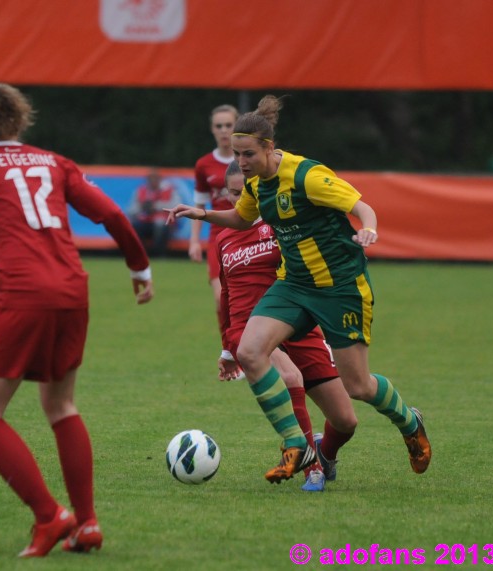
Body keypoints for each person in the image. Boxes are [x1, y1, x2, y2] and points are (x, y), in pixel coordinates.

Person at [0, 83, 153, 558]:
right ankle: (88, 523)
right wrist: (140, 267)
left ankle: (51, 517)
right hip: (73, 290)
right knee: (61, 406)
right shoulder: (54, 162)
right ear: (21, 120)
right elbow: (111, 213)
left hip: (23, 295)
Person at [167, 94, 431, 484]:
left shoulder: (307, 175)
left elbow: (360, 206)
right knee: (250, 350)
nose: (241, 163)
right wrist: (203, 213)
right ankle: (297, 444)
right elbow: (242, 218)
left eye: (247, 155)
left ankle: (410, 422)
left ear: (269, 148)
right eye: (236, 156)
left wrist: (369, 228)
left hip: (339, 287)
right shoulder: (257, 183)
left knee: (358, 386)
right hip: (294, 284)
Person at [216, 160, 357, 492]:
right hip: (250, 331)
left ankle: (325, 454)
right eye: (233, 193)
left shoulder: (283, 225)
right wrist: (227, 348)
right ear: (226, 193)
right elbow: (225, 296)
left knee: (346, 420)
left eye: (245, 191)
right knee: (290, 376)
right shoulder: (222, 239)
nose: (239, 200)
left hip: (295, 324)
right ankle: (312, 470)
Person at [190, 105, 239, 330]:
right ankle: (229, 356)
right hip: (219, 236)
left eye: (229, 125)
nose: (224, 130)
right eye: (219, 126)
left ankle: (256, 355)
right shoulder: (204, 165)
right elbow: (199, 204)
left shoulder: (248, 160)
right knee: (222, 301)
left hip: (248, 232)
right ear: (212, 129)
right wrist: (194, 241)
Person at [127, 167, 179, 257]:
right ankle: (141, 253)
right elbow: (131, 210)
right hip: (145, 221)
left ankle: (158, 254)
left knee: (160, 224)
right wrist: (141, 207)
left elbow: (176, 207)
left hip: (163, 223)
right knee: (134, 226)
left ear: (160, 179)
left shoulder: (169, 190)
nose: (152, 181)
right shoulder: (140, 191)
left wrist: (156, 206)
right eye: (150, 179)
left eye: (155, 178)